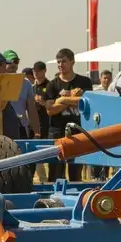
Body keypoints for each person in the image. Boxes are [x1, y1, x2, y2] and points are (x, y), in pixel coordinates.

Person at [44, 48, 93, 181]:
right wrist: (71, 99)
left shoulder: (84, 82)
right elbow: (50, 110)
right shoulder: (52, 85)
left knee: (76, 172)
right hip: (57, 131)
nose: (60, 65)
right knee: (55, 173)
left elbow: (86, 103)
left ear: (72, 62)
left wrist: (62, 99)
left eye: (64, 61)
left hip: (78, 131)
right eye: (58, 62)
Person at [2, 50, 39, 137]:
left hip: (21, 127)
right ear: (3, 63)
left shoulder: (26, 83)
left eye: (16, 61)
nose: (13, 64)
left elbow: (32, 109)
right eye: (9, 61)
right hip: (2, 128)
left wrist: (37, 132)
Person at [31, 61, 51, 138]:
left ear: (44, 71)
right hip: (34, 124)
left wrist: (43, 102)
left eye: (38, 70)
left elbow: (55, 103)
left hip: (47, 123)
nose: (35, 72)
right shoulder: (32, 87)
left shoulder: (50, 85)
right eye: (34, 70)